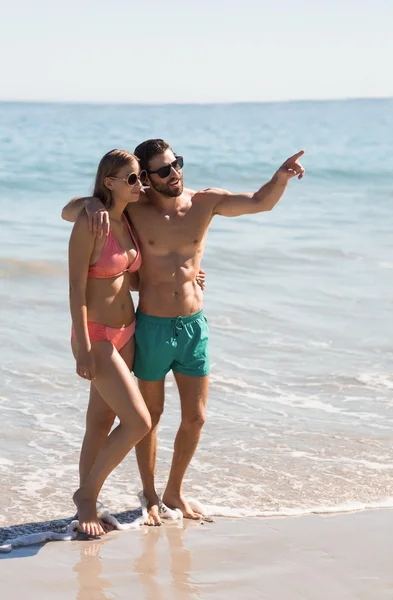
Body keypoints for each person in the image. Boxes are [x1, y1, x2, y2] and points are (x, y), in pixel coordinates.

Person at [62, 139, 305, 526]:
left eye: (177, 165)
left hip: (184, 325)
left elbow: (260, 202)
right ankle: (134, 496)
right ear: (143, 179)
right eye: (160, 171)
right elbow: (74, 213)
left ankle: (170, 490)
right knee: (146, 418)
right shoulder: (131, 209)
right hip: (147, 327)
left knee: (192, 417)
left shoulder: (202, 202)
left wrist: (280, 178)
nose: (173, 174)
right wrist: (88, 203)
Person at [68, 149, 152, 536]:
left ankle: (91, 502)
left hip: (127, 332)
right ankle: (85, 497)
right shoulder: (92, 222)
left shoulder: (127, 219)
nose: (141, 185)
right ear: (109, 182)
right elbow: (76, 287)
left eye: (141, 178)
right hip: (99, 335)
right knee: (138, 421)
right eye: (132, 178)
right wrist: (82, 344)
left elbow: (129, 278)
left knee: (101, 422)